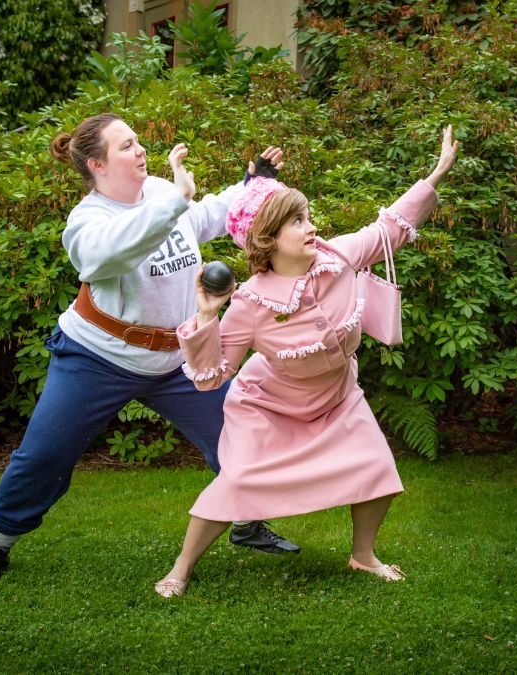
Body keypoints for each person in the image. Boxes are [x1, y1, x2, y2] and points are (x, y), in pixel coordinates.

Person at [0, 113, 299, 587]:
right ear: (97, 164)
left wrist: (252, 185)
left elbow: (206, 216)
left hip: (177, 359)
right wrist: (175, 201)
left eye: (137, 141)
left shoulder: (160, 192)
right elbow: (110, 254)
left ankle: (246, 522)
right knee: (45, 455)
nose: (140, 150)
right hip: (98, 357)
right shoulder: (88, 222)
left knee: (238, 435)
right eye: (125, 146)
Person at [154, 126, 460, 598]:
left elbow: (389, 228)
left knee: (378, 469)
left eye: (308, 216)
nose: (311, 227)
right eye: (297, 221)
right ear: (268, 238)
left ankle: (363, 556)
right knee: (238, 482)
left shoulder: (338, 258)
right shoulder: (251, 302)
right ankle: (181, 568)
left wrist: (435, 175)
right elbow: (213, 376)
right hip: (268, 407)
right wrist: (207, 316)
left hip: (337, 396)